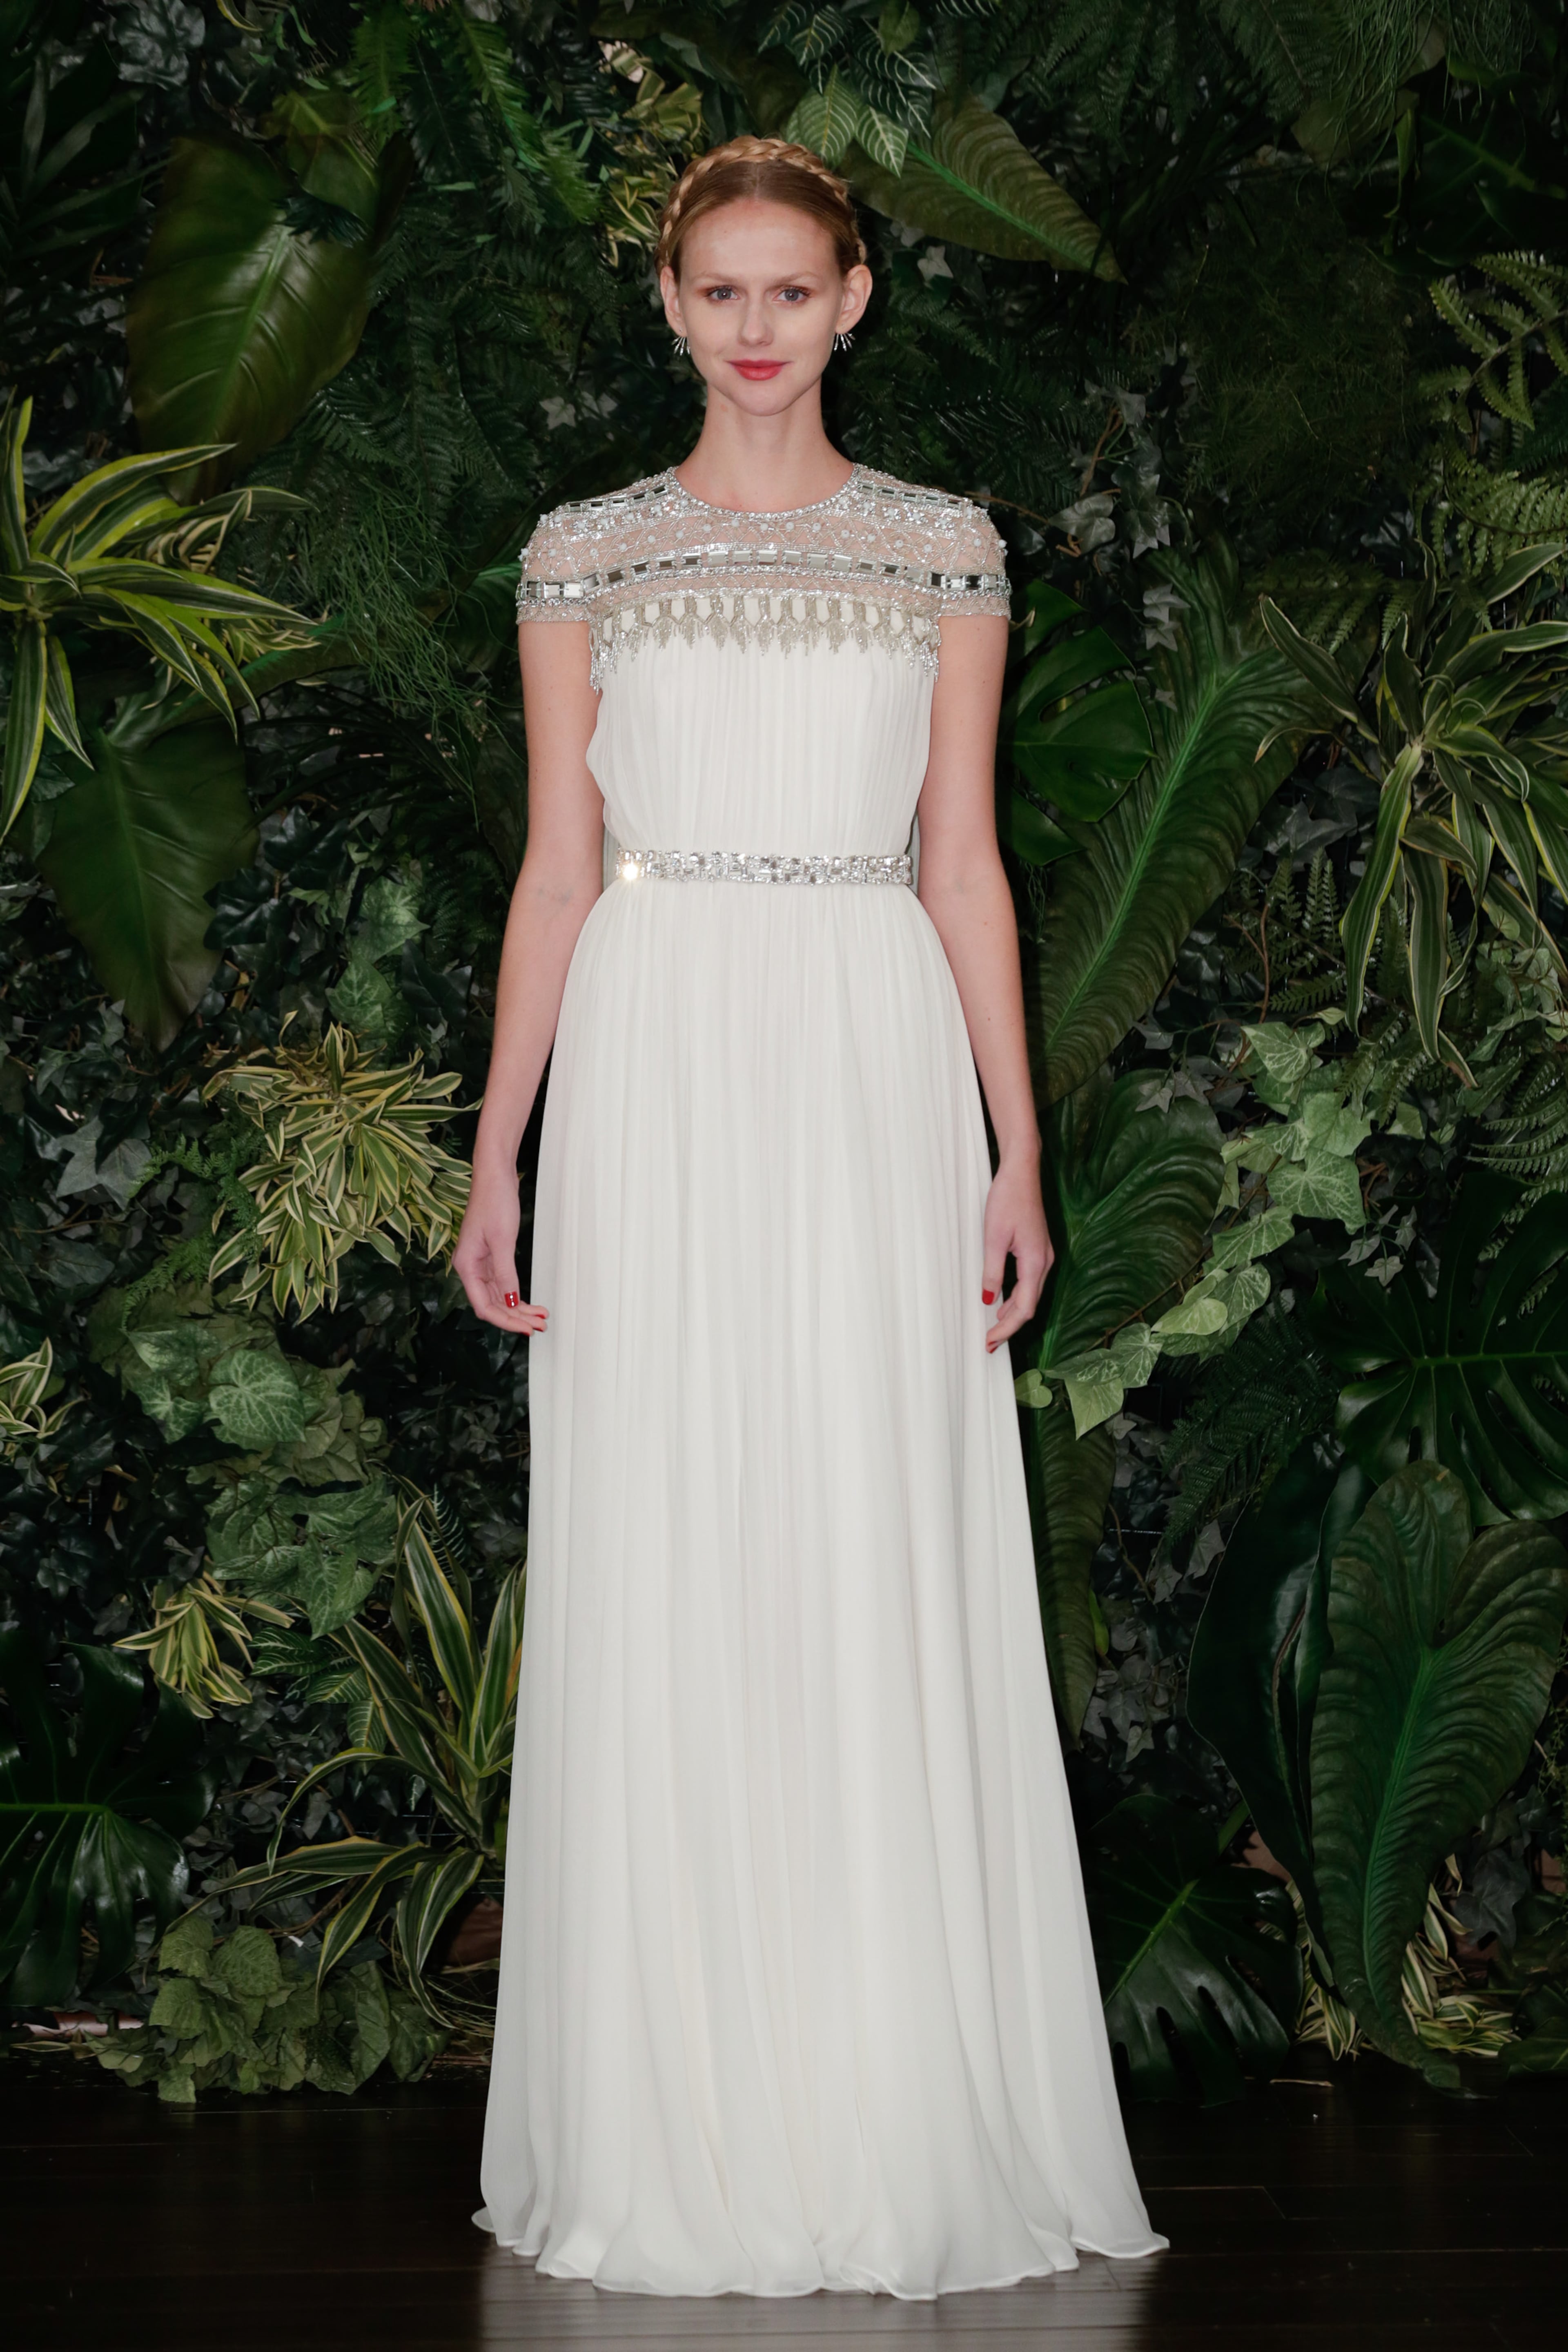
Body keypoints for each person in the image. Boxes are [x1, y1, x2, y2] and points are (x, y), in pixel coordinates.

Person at [457, 134, 1165, 2299]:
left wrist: (1013, 1147)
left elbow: (966, 864)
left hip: (868, 1050)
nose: (757, 331)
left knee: (867, 1534)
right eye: (721, 294)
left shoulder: (947, 551)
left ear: (857, 299)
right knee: (674, 1539)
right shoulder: (582, 555)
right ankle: (678, 2108)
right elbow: (560, 872)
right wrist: (502, 1149)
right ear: (669, 309)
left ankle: (884, 2097)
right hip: (658, 1056)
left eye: (795, 290)